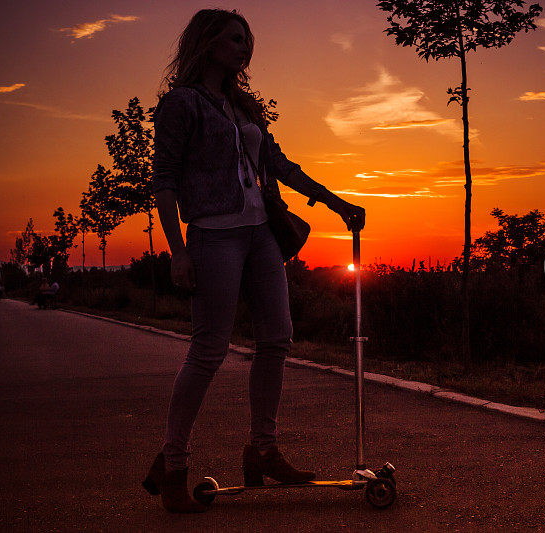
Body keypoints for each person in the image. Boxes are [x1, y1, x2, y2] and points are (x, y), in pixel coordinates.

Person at [141, 9, 365, 513]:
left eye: (249, 42)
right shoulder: (181, 104)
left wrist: (337, 203)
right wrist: (177, 251)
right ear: (208, 40)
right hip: (212, 237)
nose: (245, 49)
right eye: (237, 39)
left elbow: (280, 165)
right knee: (208, 350)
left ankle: (263, 449)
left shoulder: (245, 107)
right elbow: (165, 180)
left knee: (277, 337)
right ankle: (174, 462)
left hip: (262, 234)